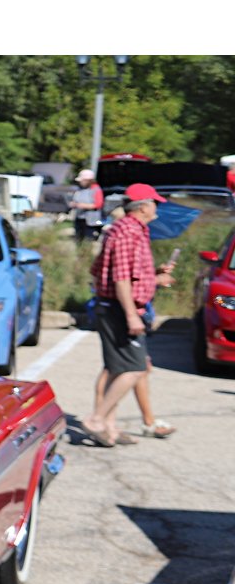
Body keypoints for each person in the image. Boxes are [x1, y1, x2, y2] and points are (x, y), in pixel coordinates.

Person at [83, 183, 177, 448]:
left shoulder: (127, 230)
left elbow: (100, 269)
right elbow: (121, 278)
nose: (157, 208)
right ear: (143, 207)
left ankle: (109, 428)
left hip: (115, 306)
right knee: (135, 368)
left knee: (117, 369)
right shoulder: (128, 232)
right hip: (120, 308)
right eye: (154, 203)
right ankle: (97, 419)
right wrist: (131, 315)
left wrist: (154, 275)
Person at [71, 168, 105, 242]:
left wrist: (82, 205)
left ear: (88, 180)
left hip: (91, 221)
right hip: (79, 218)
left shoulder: (96, 189)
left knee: (88, 240)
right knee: (78, 239)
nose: (80, 182)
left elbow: (98, 205)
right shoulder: (79, 189)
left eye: (82, 180)